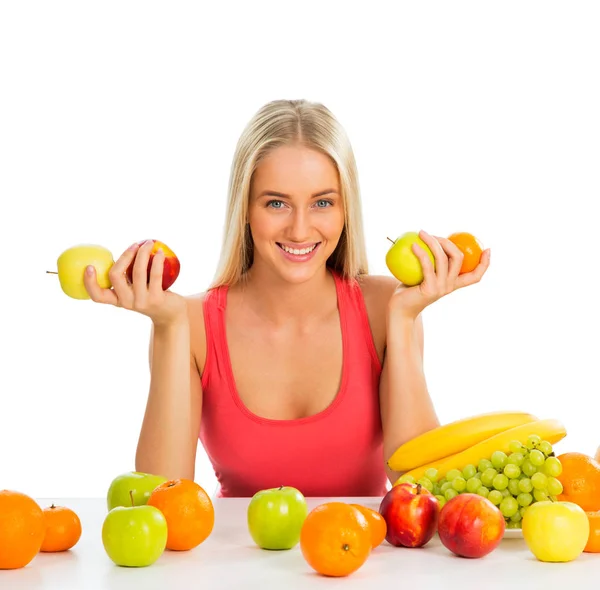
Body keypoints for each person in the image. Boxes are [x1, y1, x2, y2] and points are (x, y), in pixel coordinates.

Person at [83, 99, 491, 498]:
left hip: (360, 560)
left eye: (322, 203)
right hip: (239, 564)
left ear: (346, 210)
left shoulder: (385, 309)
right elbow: (160, 501)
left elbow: (418, 488)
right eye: (276, 203)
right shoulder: (189, 323)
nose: (299, 229)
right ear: (244, 207)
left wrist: (403, 320)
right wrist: (169, 325)